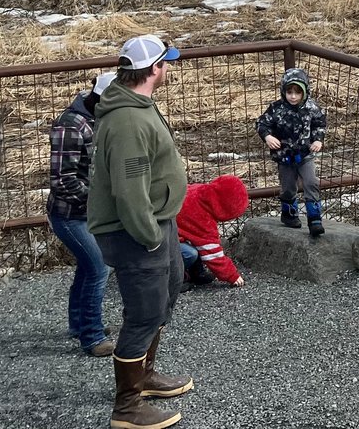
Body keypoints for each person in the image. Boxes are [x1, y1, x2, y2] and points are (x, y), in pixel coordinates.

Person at [87, 34, 192, 429]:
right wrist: (148, 235)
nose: (169, 69)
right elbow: (130, 191)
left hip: (155, 222)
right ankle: (127, 408)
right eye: (167, 63)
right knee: (144, 313)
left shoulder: (137, 104)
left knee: (165, 295)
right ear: (153, 69)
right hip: (137, 229)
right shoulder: (128, 120)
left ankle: (144, 377)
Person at [47, 70, 118, 357]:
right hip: (70, 214)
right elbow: (63, 180)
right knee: (99, 267)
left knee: (88, 267)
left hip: (83, 211)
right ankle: (92, 335)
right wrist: (99, 200)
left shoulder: (94, 118)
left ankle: (79, 324)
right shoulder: (71, 126)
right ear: (101, 98)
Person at [255, 67, 327, 236]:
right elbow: (261, 123)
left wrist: (318, 139)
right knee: (288, 187)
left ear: (305, 92)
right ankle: (289, 214)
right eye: (289, 92)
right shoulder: (276, 108)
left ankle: (314, 219)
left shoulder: (311, 107)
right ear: (283, 91)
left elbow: (320, 124)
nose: (293, 96)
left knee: (311, 182)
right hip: (284, 157)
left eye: (297, 93)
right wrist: (267, 137)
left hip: (305, 155)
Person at [176, 175, 249, 286]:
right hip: (160, 243)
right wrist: (232, 275)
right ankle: (175, 278)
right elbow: (213, 254)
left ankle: (196, 273)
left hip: (160, 232)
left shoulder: (199, 191)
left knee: (193, 241)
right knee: (190, 253)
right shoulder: (203, 218)